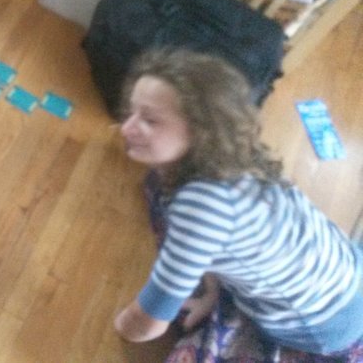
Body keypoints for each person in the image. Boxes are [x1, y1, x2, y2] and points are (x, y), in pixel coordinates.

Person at [112, 48, 363, 356]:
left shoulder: (200, 207)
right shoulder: (235, 152)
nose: (126, 128)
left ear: (201, 131)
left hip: (321, 323)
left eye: (150, 120)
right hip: (351, 270)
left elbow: (149, 322)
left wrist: (123, 326)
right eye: (132, 112)